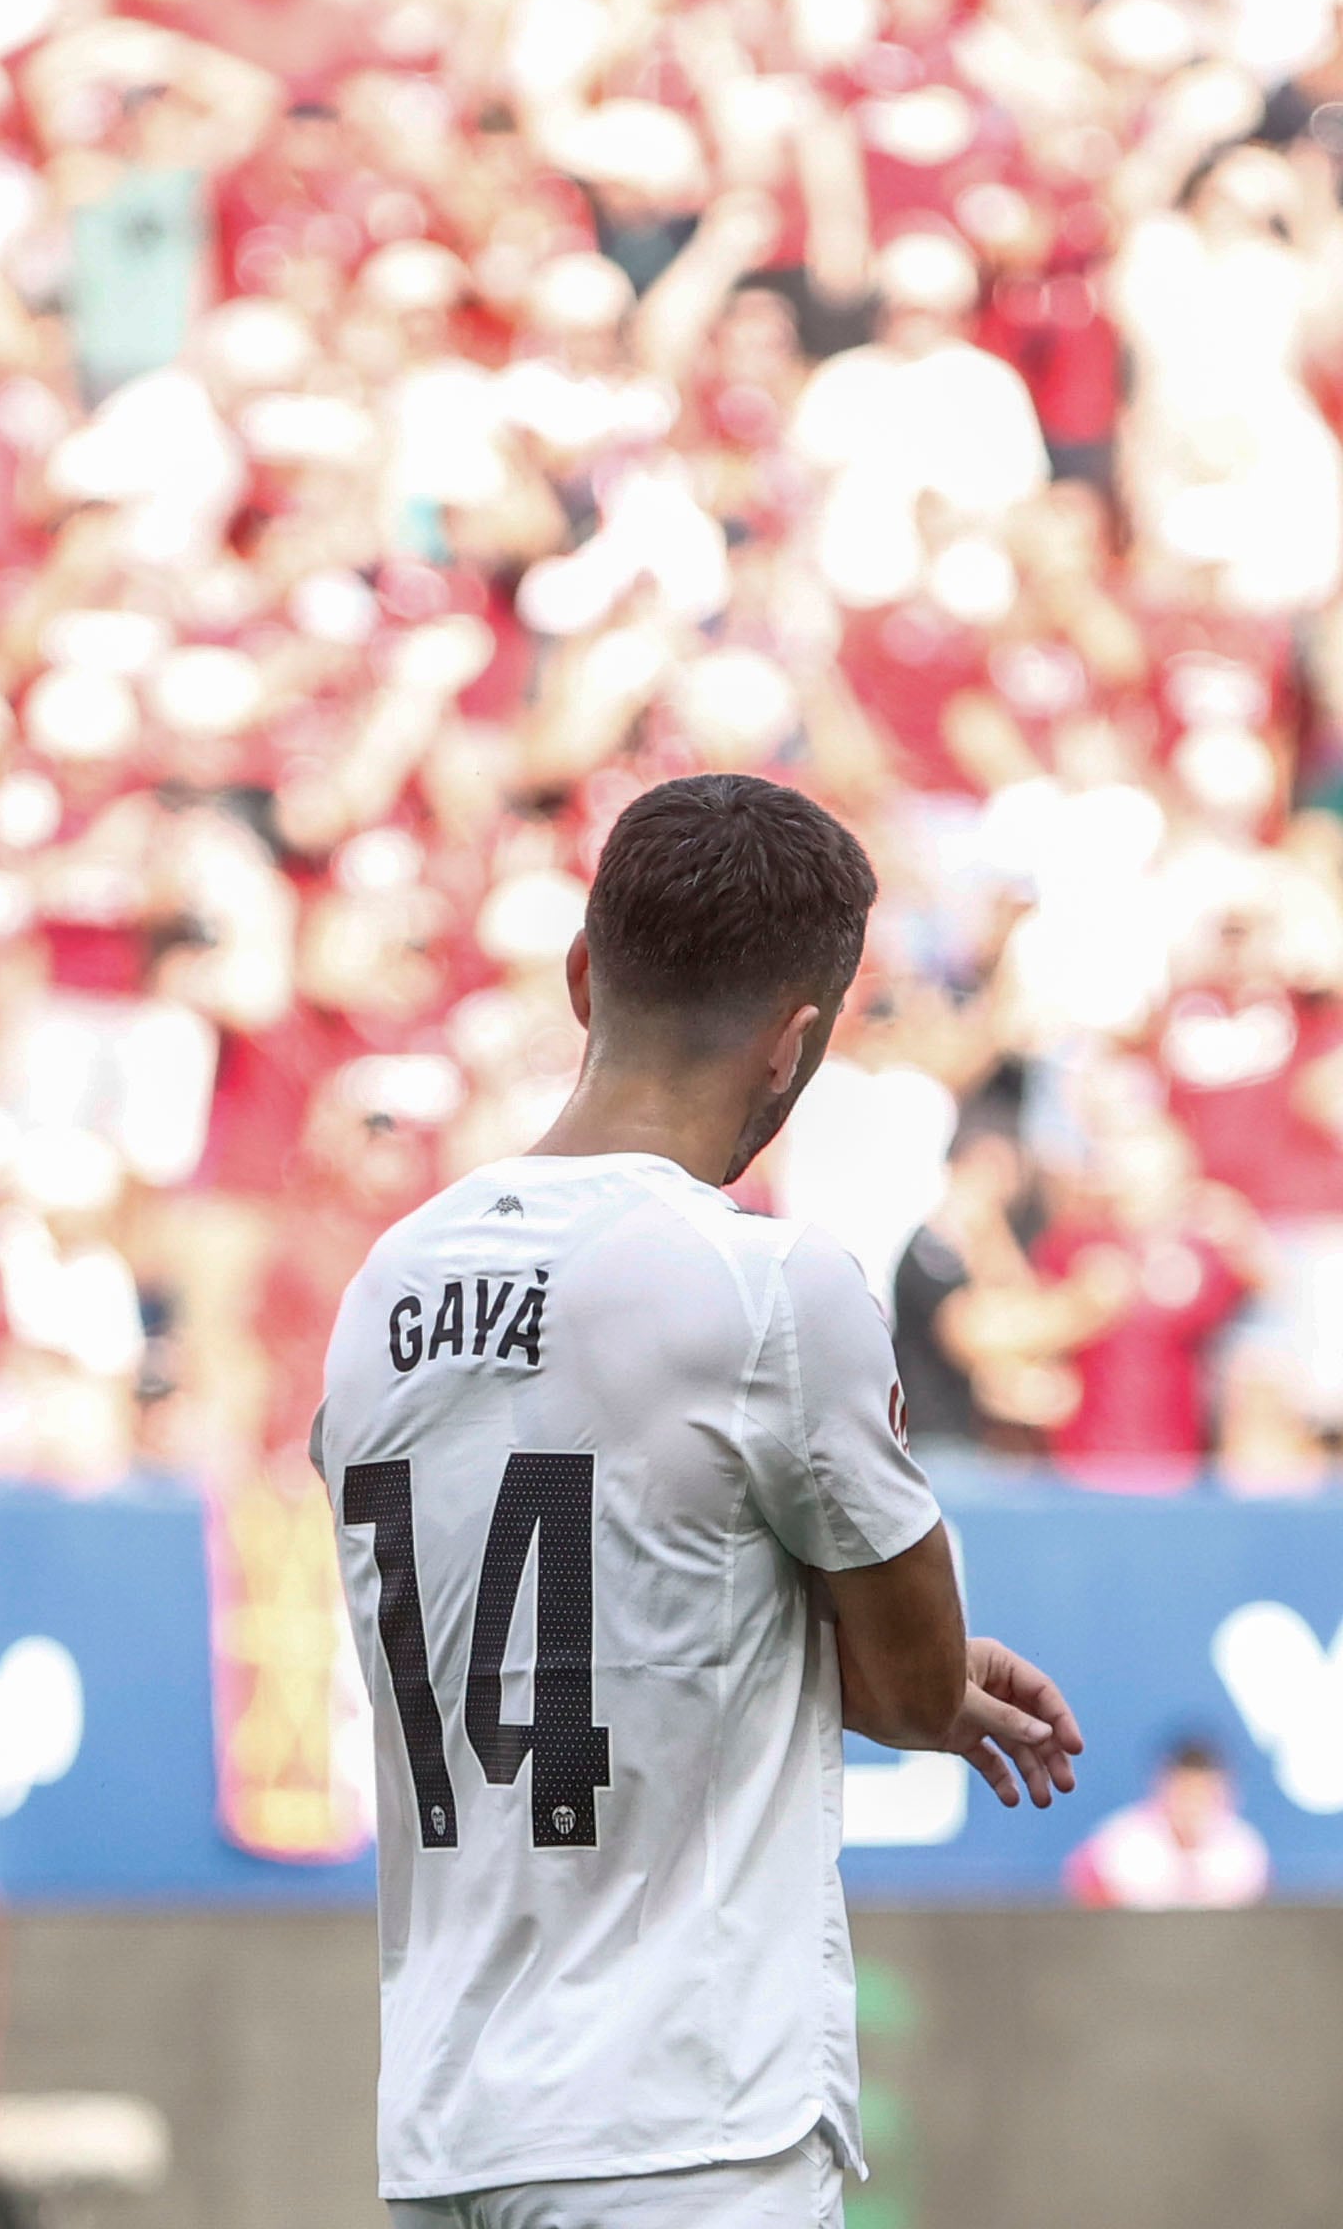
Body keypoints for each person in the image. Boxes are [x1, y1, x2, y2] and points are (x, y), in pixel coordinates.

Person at [310, 774, 1082, 2229]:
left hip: (445, 2128)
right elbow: (917, 1688)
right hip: (680, 2129)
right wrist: (903, 1671)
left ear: (582, 973)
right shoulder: (770, 1285)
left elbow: (587, 1600)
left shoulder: (384, 1283)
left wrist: (810, 1661)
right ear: (796, 1048)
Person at [1065, 1737, 1271, 1911]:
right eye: (1185, 1791)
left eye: (1204, 1792)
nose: (1193, 1805)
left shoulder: (1244, 1850)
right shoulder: (1117, 1844)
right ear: (1162, 1787)